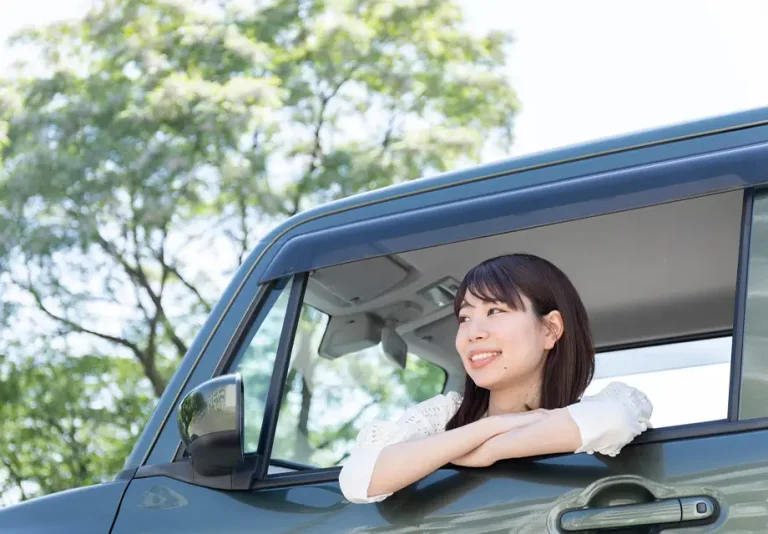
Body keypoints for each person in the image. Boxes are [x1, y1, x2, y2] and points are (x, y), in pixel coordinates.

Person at [339, 253, 653, 504]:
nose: (473, 333)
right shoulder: (443, 416)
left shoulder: (606, 406)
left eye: (495, 311)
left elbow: (615, 421)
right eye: (465, 317)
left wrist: (488, 451)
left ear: (550, 329)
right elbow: (358, 480)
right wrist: (491, 427)